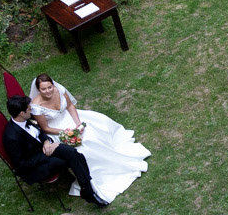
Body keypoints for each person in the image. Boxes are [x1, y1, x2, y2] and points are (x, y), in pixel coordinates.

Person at [29, 74, 150, 204]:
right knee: (85, 144)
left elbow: (69, 106)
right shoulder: (37, 106)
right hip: (56, 129)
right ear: (38, 90)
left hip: (71, 118)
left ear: (53, 85)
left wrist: (78, 124)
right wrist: (66, 132)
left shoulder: (59, 90)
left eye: (50, 87)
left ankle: (110, 153)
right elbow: (45, 128)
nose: (48, 91)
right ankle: (97, 173)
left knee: (96, 126)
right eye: (44, 89)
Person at [1, 95, 106, 206]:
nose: (31, 110)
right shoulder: (12, 137)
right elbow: (21, 164)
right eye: (29, 109)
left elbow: (39, 132)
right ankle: (88, 190)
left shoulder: (26, 118)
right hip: (34, 166)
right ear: (21, 113)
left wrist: (46, 141)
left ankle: (87, 190)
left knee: (73, 153)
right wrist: (45, 153)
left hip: (45, 147)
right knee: (65, 161)